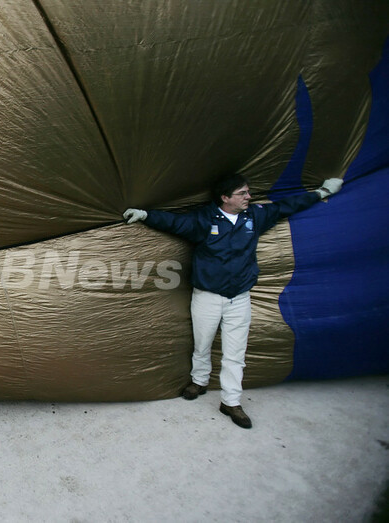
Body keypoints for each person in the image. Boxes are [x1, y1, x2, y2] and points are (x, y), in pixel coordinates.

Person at [123, 174, 342, 429]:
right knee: (202, 344)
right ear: (225, 198)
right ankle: (199, 381)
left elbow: (287, 206)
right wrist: (146, 215)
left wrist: (322, 192)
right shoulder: (205, 219)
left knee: (235, 353)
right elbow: (176, 222)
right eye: (242, 193)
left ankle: (231, 401)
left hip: (239, 298)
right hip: (207, 297)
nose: (248, 197)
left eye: (248, 192)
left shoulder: (255, 216)